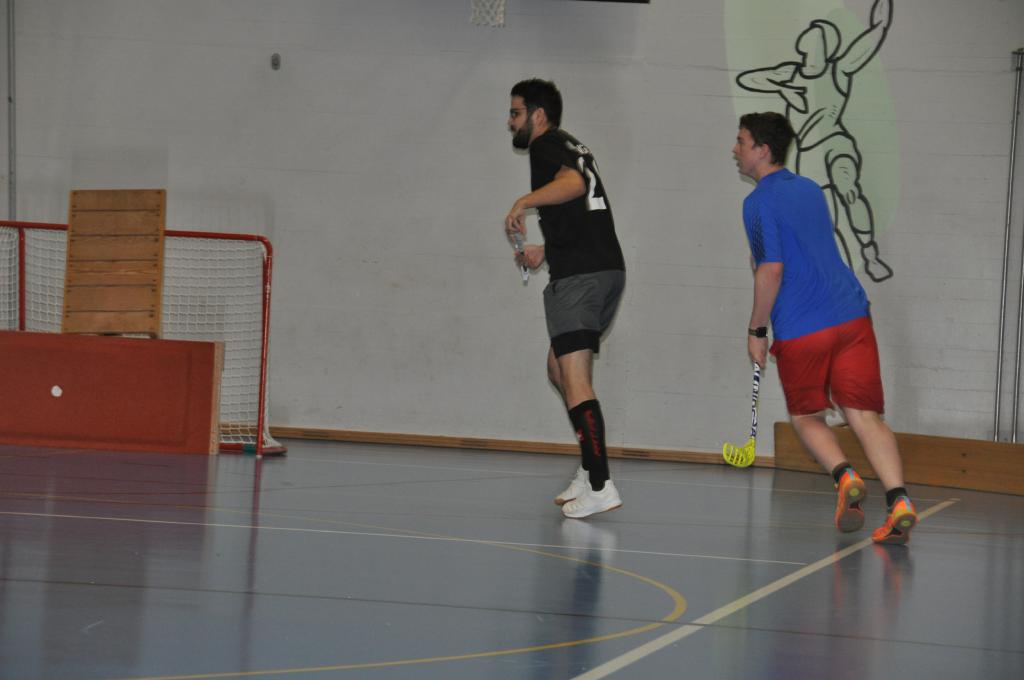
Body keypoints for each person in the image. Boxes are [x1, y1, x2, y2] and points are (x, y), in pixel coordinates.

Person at [732, 111, 916, 544]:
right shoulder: (810, 189)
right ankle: (900, 502)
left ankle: (845, 475)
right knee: (864, 416)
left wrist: (756, 331)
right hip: (851, 314)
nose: (734, 150)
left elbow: (771, 270)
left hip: (804, 326)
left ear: (762, 150)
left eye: (741, 141)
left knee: (805, 416)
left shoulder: (756, 203)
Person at [504, 78, 626, 519]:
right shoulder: (570, 144)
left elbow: (573, 185)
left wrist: (523, 201)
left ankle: (601, 484)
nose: (510, 122)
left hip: (581, 279)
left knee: (575, 380)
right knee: (557, 368)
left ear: (538, 115)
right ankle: (589, 469)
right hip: (603, 270)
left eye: (515, 113)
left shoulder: (545, 145)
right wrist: (547, 251)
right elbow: (582, 211)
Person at [736, 0, 894, 282]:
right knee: (814, 222)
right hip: (807, 156)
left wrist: (882, 10)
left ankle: (869, 252)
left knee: (847, 188)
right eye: (806, 50)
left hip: (834, 142)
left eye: (815, 50)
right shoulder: (791, 75)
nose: (809, 56)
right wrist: (785, 89)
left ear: (826, 50)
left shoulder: (838, 70)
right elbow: (750, 79)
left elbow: (876, 31)